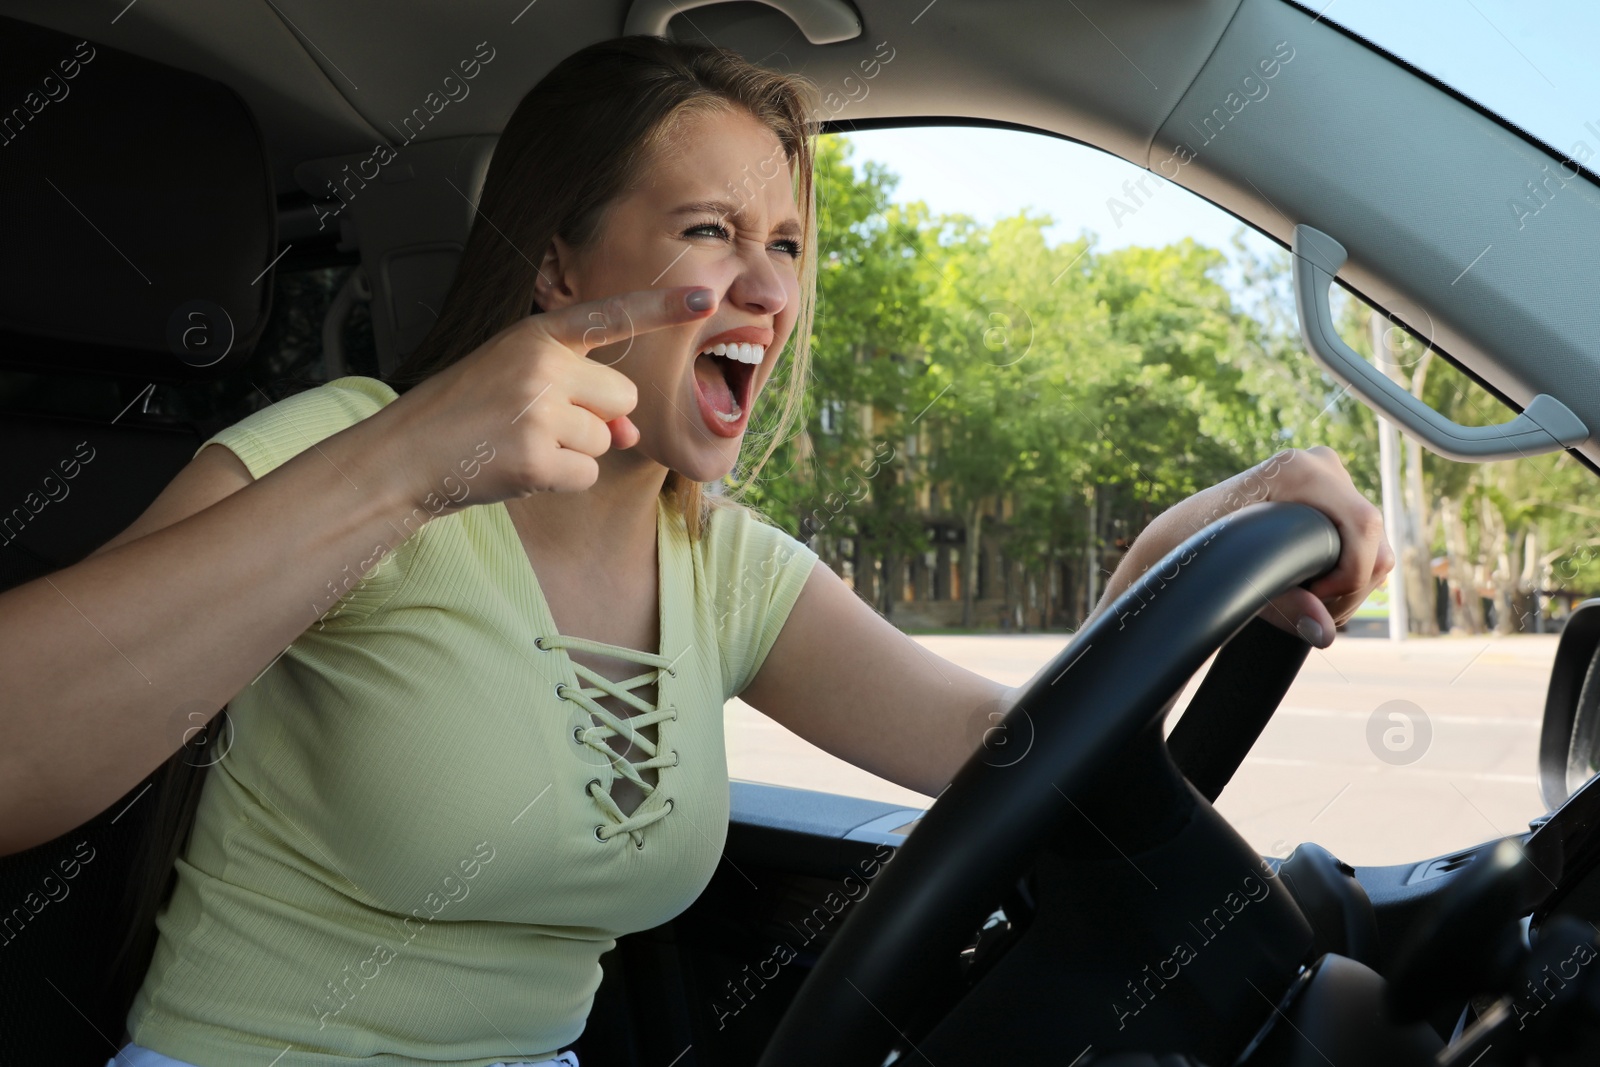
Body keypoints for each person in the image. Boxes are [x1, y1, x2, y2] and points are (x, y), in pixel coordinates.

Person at [0, 34, 1392, 1067]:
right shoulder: (353, 445)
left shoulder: (719, 561)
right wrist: (419, 460)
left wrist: (1173, 555)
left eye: (783, 243)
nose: (768, 288)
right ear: (560, 270)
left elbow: (1016, 754)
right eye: (709, 232)